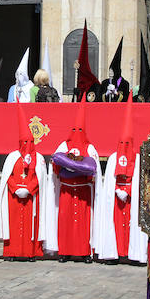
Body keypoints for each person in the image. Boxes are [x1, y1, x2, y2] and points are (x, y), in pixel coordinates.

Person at [45, 100, 102, 261]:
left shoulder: (90, 148)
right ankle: (64, 251)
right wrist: (66, 167)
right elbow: (55, 163)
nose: (77, 133)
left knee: (83, 222)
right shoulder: (64, 145)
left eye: (80, 130)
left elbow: (93, 168)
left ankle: (84, 252)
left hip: (83, 191)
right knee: (65, 221)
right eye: (75, 129)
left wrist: (78, 167)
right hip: (66, 190)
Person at [95, 94, 148, 263]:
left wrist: (128, 190)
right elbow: (109, 180)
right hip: (117, 198)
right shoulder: (112, 159)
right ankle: (113, 252)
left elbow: (140, 181)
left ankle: (134, 254)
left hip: (131, 198)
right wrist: (118, 190)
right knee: (117, 226)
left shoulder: (139, 159)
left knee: (131, 225)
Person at [0, 101, 47, 260]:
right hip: (14, 198)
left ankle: (31, 253)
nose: (27, 145)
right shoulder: (12, 157)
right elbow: (7, 177)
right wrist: (16, 188)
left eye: (30, 142)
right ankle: (12, 252)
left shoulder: (39, 159)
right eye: (25, 142)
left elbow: (40, 178)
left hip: (31, 198)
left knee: (30, 225)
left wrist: (29, 189)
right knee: (14, 225)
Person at [99, 38, 130, 102]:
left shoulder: (125, 84)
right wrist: (106, 94)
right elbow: (99, 98)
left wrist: (116, 93)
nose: (110, 73)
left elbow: (126, 99)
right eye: (109, 71)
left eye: (112, 71)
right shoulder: (105, 83)